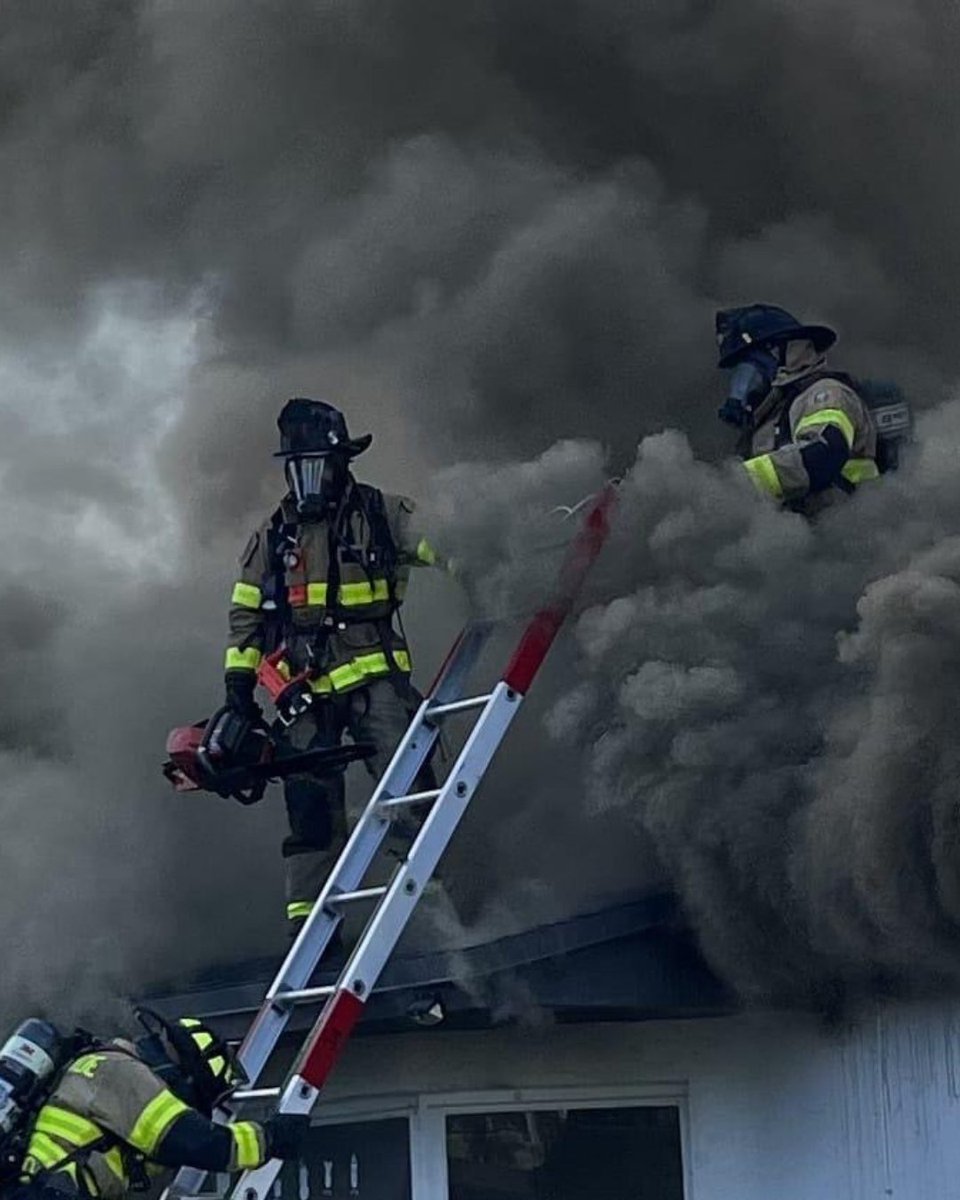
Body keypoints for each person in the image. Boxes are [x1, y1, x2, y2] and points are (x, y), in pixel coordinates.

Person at [223, 398, 443, 932]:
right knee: (310, 815)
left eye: (318, 466)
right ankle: (312, 936)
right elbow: (246, 616)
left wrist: (486, 559)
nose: (309, 480)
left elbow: (443, 543)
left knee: (413, 788)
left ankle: (435, 911)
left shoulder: (382, 514)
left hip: (375, 679)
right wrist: (238, 691)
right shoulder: (274, 536)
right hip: (302, 695)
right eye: (298, 468)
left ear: (342, 462)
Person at [16, 1009, 307, 1199]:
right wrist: (271, 1137)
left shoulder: (100, 1063)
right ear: (188, 1074)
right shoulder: (124, 1073)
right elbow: (196, 1142)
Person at [715, 304, 878, 514]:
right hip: (805, 530)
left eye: (745, 368)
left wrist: (740, 483)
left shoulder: (825, 394)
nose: (739, 384)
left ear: (778, 353)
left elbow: (824, 453)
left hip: (852, 524)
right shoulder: (772, 414)